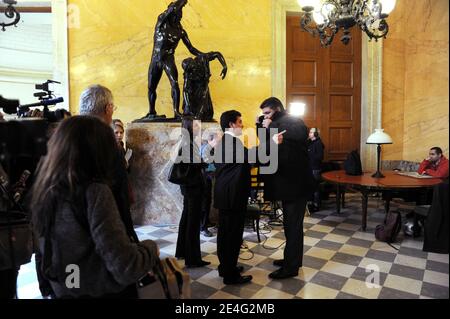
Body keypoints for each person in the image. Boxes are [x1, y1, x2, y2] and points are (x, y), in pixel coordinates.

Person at [31, 116, 160, 298]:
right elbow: (125, 266)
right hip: (97, 292)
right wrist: (150, 248)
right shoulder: (94, 192)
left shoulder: (44, 189)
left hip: (64, 290)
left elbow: (43, 255)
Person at [212, 110, 283, 285]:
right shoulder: (230, 142)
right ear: (231, 124)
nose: (242, 125)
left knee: (225, 233)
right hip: (232, 195)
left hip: (226, 194)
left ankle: (226, 267)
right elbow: (252, 156)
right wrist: (272, 142)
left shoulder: (227, 141)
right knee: (232, 235)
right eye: (240, 121)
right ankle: (230, 275)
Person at [259, 97, 313, 279]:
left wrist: (271, 126)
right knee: (289, 225)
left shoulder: (292, 120)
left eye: (267, 112)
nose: (265, 116)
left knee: (293, 226)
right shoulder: (276, 123)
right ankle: (291, 259)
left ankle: (291, 267)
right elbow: (270, 148)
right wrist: (264, 128)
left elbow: (301, 133)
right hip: (287, 184)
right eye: (263, 114)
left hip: (296, 185)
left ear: (277, 109)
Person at [145, 0, 204, 120]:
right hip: (156, 58)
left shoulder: (180, 31)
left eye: (180, 16)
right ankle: (151, 111)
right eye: (178, 14)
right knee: (151, 87)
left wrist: (204, 55)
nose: (179, 17)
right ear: (173, 13)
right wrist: (182, 2)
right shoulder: (161, 23)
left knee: (174, 83)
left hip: (168, 58)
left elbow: (191, 48)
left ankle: (176, 112)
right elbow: (169, 10)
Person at [174, 117, 211, 268]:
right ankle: (193, 259)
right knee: (193, 223)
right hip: (193, 188)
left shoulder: (187, 142)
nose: (199, 127)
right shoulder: (189, 144)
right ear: (189, 127)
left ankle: (182, 251)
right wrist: (207, 159)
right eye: (196, 125)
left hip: (189, 187)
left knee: (186, 219)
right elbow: (195, 164)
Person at [182, 51, 227, 121]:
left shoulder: (202, 58)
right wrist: (188, 104)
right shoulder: (188, 74)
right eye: (191, 70)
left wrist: (224, 66)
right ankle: (193, 114)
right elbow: (185, 90)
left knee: (205, 109)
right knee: (190, 111)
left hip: (203, 86)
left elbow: (217, 54)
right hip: (194, 90)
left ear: (194, 62)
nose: (194, 70)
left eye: (193, 67)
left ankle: (199, 115)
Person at [199, 134, 217, 237]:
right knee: (205, 203)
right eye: (217, 140)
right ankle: (203, 227)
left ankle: (206, 222)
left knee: (207, 202)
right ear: (211, 140)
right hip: (205, 179)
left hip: (206, 178)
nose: (218, 143)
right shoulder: (207, 149)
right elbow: (209, 166)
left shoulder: (207, 147)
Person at [307, 128, 325, 212]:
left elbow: (320, 157)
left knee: (315, 187)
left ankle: (316, 205)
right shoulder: (310, 142)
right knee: (311, 187)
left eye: (311, 132)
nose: (309, 134)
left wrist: (309, 156)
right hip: (310, 168)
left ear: (316, 134)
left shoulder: (318, 143)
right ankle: (311, 204)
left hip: (315, 168)